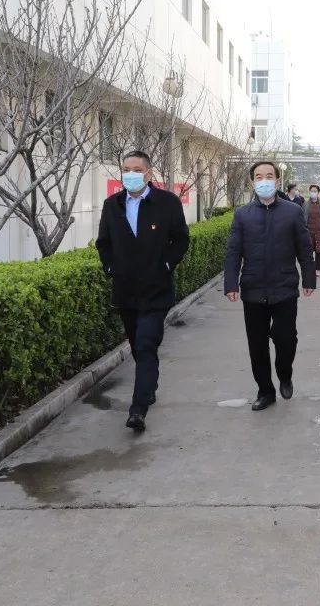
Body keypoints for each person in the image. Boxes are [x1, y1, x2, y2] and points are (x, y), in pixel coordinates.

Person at [96, 150, 190, 433]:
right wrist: (111, 268)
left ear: (149, 173)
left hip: (156, 291)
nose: (131, 174)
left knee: (147, 344)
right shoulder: (112, 205)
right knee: (139, 346)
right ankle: (149, 385)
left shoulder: (167, 203)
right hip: (126, 291)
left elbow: (181, 240)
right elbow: (104, 243)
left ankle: (138, 409)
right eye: (126, 169)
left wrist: (166, 264)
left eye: (136, 169)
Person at [224, 162, 317, 411]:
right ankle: (265, 391)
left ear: (277, 181)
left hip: (284, 287)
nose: (263, 181)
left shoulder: (292, 212)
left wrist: (309, 279)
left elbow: (304, 248)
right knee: (257, 345)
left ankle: (285, 373)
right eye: (258, 177)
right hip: (253, 289)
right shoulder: (243, 214)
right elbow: (233, 252)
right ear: (252, 182)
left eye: (268, 176)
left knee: (286, 338)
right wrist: (231, 283)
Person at [305, 184, 320, 276]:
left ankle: (317, 269)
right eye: (312, 191)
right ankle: (310, 268)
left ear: (318, 192)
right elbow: (302, 218)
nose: (313, 193)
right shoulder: (305, 204)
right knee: (309, 251)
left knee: (318, 251)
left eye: (315, 191)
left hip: (319, 231)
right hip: (308, 231)